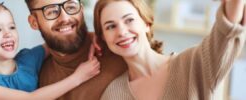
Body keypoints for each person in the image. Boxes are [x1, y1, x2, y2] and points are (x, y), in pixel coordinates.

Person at [93, 0, 246, 99]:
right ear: (103, 38)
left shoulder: (193, 64)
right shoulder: (113, 95)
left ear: (146, 23)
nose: (121, 31)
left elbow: (227, 30)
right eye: (111, 26)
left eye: (129, 20)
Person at [0, 1, 101, 100]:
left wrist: (96, 36)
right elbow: (31, 98)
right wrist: (78, 77)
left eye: (12, 27)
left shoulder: (28, 59)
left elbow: (59, 41)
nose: (8, 33)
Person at [24, 0, 128, 99]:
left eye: (71, 7)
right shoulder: (34, 75)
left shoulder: (120, 51)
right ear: (34, 22)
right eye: (52, 11)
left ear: (81, 9)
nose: (65, 18)